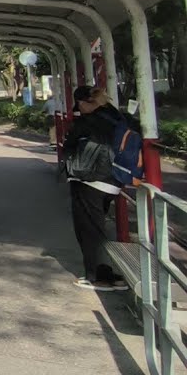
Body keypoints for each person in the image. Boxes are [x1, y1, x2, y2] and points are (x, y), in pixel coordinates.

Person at [64, 85, 130, 291]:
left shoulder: (86, 122)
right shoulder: (116, 117)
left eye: (80, 105)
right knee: (98, 225)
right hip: (113, 180)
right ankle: (109, 274)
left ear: (84, 103)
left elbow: (70, 145)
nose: (79, 109)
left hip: (89, 180)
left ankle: (98, 276)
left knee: (89, 229)